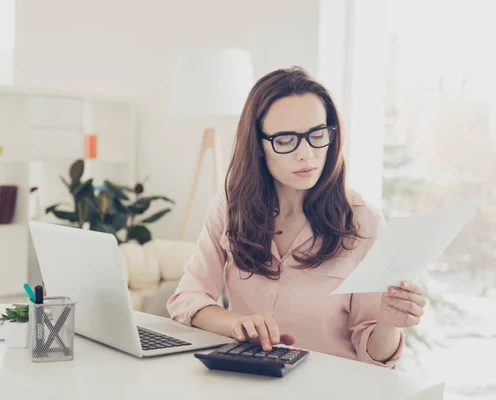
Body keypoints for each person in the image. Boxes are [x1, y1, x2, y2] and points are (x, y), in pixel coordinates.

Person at [166, 66, 427, 368]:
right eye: (286, 140)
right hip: (248, 382)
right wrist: (237, 324)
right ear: (259, 145)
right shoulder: (230, 204)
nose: (306, 154)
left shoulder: (363, 221)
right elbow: (188, 298)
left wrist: (389, 323)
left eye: (317, 135)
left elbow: (374, 356)